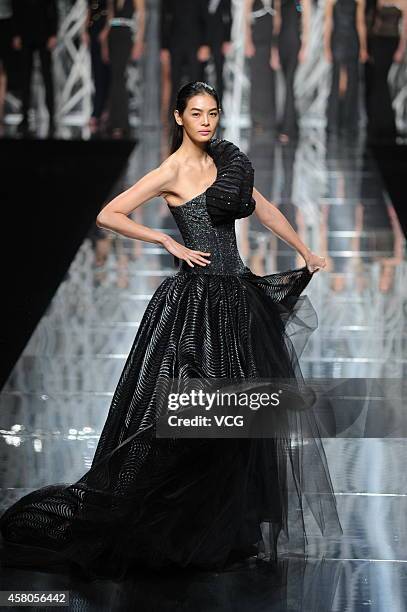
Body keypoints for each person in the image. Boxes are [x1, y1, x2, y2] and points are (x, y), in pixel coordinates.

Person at [0, 81, 341, 581]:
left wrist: (304, 249)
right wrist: (163, 238)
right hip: (195, 304)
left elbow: (262, 208)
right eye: (197, 113)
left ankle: (219, 528)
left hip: (237, 297)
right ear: (178, 117)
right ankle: (169, 528)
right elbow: (108, 213)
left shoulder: (227, 160)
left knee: (237, 420)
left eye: (213, 113)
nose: (207, 122)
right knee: (188, 420)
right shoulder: (171, 171)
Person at [11, 0, 58, 137]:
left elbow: (52, 8)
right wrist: (16, 34)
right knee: (25, 78)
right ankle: (25, 117)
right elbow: (16, 8)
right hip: (26, 33)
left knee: (47, 77)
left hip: (44, 32)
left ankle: (52, 117)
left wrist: (53, 33)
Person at [100, 0, 145, 139]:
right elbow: (110, 17)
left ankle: (120, 123)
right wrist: (104, 43)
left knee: (120, 77)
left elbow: (142, 16)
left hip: (126, 34)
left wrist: (139, 41)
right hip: (113, 34)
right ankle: (115, 122)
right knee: (115, 77)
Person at [324, 0, 368, 136]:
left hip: (348, 41)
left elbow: (360, 24)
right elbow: (328, 22)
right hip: (340, 40)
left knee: (350, 82)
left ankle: (342, 122)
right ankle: (338, 122)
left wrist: (363, 47)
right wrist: (326, 46)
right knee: (339, 81)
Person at [160, 0, 210, 121]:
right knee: (174, 81)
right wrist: (164, 47)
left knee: (196, 82)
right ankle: (173, 118)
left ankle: (196, 116)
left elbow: (206, 18)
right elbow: (164, 19)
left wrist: (205, 44)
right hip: (175, 43)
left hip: (195, 42)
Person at [365, 0, 407, 141]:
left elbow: (405, 26)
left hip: (392, 42)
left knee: (385, 82)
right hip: (378, 41)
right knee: (378, 81)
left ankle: (387, 124)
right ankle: (378, 124)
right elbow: (374, 22)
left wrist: (401, 49)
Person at [273, 0, 311, 143]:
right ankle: (293, 125)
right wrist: (274, 49)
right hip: (282, 42)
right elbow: (277, 23)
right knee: (285, 84)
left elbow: (306, 23)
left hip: (295, 42)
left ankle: (287, 129)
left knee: (289, 83)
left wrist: (305, 47)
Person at [244, 0, 279, 132]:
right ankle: (256, 118)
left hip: (270, 43)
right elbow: (246, 18)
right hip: (256, 41)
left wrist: (275, 47)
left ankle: (270, 119)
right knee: (257, 80)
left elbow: (277, 21)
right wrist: (248, 41)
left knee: (270, 81)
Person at [82, 0, 111, 135]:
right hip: (94, 32)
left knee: (107, 75)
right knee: (98, 75)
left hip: (107, 32)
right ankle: (99, 112)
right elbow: (90, 9)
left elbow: (111, 11)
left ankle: (102, 112)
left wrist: (106, 32)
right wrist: (84, 30)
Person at [200, 0, 233, 109]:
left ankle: (219, 106)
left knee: (220, 73)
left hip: (219, 40)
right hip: (203, 40)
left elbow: (228, 17)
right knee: (201, 74)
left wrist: (227, 39)